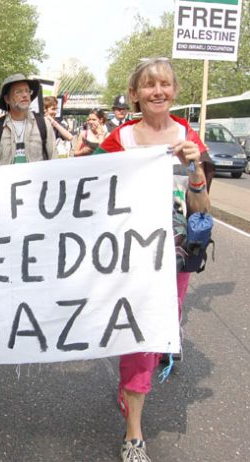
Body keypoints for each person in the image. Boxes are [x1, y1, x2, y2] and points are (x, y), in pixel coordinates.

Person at [94, 58, 214, 462]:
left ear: (175, 91)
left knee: (162, 328)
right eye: (149, 85)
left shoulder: (190, 137)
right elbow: (89, 195)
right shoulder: (119, 139)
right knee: (141, 335)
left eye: (165, 84)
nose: (157, 91)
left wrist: (194, 167)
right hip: (129, 256)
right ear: (135, 94)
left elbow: (202, 207)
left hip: (176, 256)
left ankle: (129, 388)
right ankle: (134, 436)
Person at [0, 74, 56, 166]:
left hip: (36, 180)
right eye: (18, 92)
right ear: (7, 99)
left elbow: (54, 160)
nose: (25, 95)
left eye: (27, 91)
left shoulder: (43, 124)